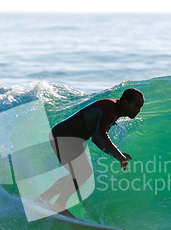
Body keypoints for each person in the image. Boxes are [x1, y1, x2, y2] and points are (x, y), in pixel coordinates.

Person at [35, 88, 145, 218]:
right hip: (64, 136)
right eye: (136, 105)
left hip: (67, 137)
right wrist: (118, 155)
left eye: (140, 107)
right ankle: (58, 205)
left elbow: (96, 138)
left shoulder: (114, 111)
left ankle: (42, 199)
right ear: (125, 102)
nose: (138, 110)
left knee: (79, 174)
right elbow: (100, 134)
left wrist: (117, 154)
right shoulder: (110, 107)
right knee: (82, 172)